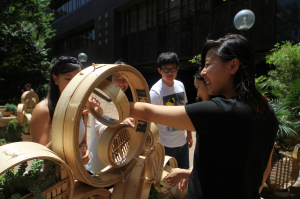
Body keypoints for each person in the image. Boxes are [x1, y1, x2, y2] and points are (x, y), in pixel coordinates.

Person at [128, 34, 278, 199]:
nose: (203, 72)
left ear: (233, 66)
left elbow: (148, 112)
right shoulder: (267, 111)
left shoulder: (219, 112)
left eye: (207, 64)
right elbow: (264, 168)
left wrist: (114, 104)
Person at [31, 56, 94, 165]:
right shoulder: (43, 109)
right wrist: (67, 124)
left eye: (78, 79)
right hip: (53, 177)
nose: (74, 84)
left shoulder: (81, 107)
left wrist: (83, 151)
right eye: (68, 79)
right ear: (55, 79)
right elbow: (39, 158)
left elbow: (83, 143)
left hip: (76, 172)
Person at [85, 60, 133, 174]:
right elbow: (100, 130)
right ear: (110, 78)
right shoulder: (99, 98)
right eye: (117, 77)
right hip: (99, 162)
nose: (121, 82)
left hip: (119, 160)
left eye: (125, 78)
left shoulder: (126, 100)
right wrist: (121, 122)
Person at [166, 69, 210, 191]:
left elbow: (218, 166)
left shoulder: (213, 114)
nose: (197, 94)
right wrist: (191, 171)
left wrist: (185, 173)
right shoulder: (156, 90)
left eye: (197, 87)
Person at [150, 52, 192, 170]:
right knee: (166, 182)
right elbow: (153, 120)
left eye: (172, 69)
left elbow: (185, 109)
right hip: (165, 145)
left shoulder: (180, 85)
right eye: (166, 70)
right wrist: (154, 144)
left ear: (177, 68)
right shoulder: (156, 92)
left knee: (183, 179)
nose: (170, 73)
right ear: (159, 70)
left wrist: (189, 134)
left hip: (182, 142)